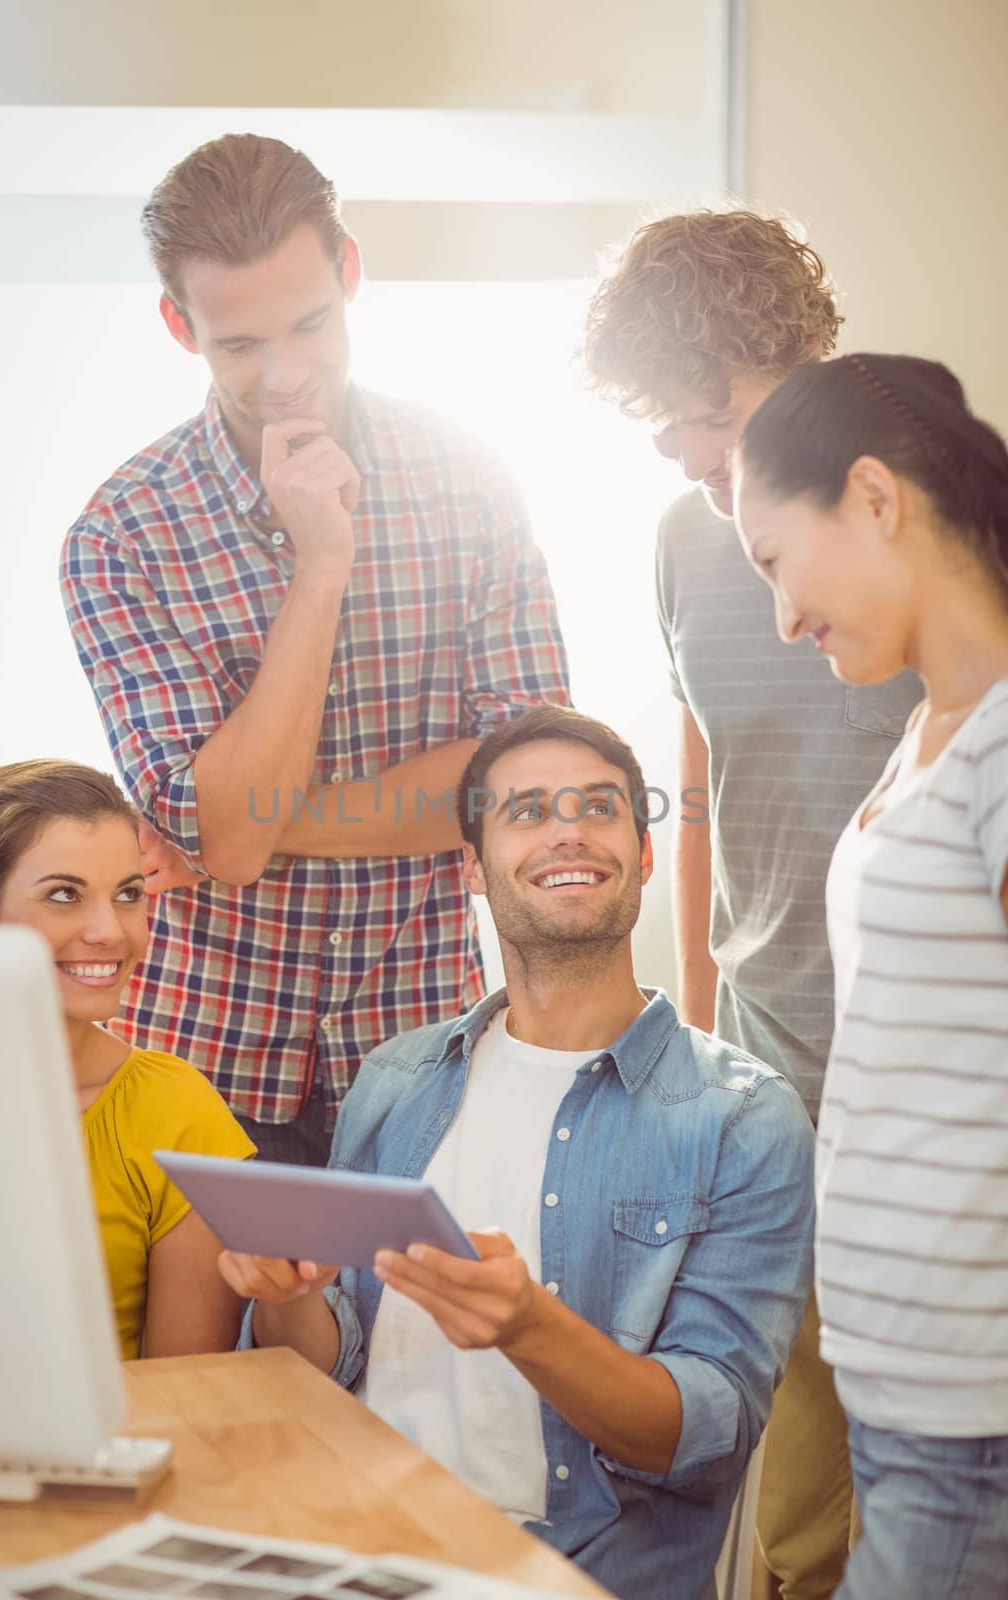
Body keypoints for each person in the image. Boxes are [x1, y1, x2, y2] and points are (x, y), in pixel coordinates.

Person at [217, 705, 816, 1600]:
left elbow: (704, 1436)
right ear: (473, 867)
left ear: (644, 855)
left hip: (567, 1575)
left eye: (598, 808)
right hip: (358, 1545)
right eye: (528, 812)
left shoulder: (743, 1119)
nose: (566, 830)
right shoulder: (394, 1079)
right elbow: (328, 1363)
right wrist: (288, 1299)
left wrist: (528, 1326)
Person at [60, 133, 570, 1168]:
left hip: (422, 1053)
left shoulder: (469, 479)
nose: (285, 374)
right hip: (205, 1059)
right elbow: (223, 826)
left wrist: (245, 827)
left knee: (412, 1336)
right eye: (239, 345)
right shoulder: (120, 536)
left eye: (308, 324)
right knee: (209, 1342)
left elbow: (527, 776)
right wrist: (321, 564)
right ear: (179, 325)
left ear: (348, 270)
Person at [584, 210, 922, 1598]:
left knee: (923, 1452)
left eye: (719, 420)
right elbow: (705, 774)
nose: (709, 473)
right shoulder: (682, 539)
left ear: (804, 365)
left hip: (927, 1064)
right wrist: (700, 1042)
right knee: (792, 1480)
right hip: (769, 1056)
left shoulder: (929, 520)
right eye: (674, 438)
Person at [733, 352, 1008, 1600]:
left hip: (973, 1404)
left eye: (774, 559)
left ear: (873, 497)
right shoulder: (930, 730)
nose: (782, 616)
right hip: (906, 1391)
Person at [0, 759, 255, 1360]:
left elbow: (185, 1396)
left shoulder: (174, 1112)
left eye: (128, 894)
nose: (110, 931)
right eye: (64, 895)